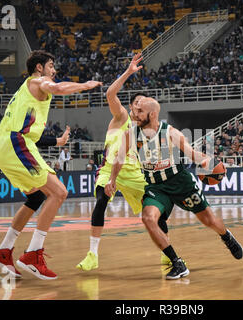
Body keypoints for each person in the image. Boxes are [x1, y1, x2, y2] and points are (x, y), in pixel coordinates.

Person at [0, 50, 102, 280]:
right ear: (39, 68)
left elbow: (32, 134)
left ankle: (4, 250)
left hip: (3, 146)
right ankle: (32, 254)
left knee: (37, 197)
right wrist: (85, 85)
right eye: (51, 65)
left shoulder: (26, 94)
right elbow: (58, 88)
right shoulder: (39, 81)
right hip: (14, 143)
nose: (54, 70)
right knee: (59, 192)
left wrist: (57, 141)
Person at [105, 97, 243, 280]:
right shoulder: (130, 134)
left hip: (180, 183)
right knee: (148, 218)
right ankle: (177, 262)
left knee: (209, 220)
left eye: (139, 111)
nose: (134, 114)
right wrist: (112, 179)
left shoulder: (170, 132)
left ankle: (226, 236)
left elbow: (191, 153)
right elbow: (119, 159)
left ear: (152, 114)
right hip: (156, 187)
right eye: (134, 110)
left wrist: (206, 161)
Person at [76, 53, 152, 272]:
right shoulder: (121, 117)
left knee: (153, 211)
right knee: (101, 202)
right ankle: (92, 255)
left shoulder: (145, 130)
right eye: (137, 103)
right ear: (130, 107)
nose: (140, 106)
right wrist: (128, 71)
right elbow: (110, 93)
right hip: (109, 168)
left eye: (144, 104)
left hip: (134, 173)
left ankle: (167, 254)